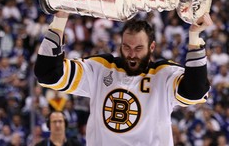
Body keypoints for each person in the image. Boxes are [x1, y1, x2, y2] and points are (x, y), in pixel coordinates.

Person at [34, 11, 213, 146]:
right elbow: (48, 74)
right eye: (126, 47)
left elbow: (195, 92)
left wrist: (195, 38)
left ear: (152, 47)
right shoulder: (100, 68)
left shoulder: (163, 74)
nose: (131, 55)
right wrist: (60, 19)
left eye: (138, 48)